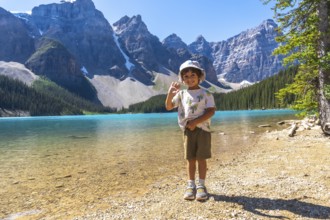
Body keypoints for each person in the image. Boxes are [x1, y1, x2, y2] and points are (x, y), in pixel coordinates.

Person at [165, 60, 216, 201]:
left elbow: (211, 111)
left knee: (201, 158)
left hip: (203, 130)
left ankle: (201, 185)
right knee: (190, 159)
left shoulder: (206, 93)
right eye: (186, 76)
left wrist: (196, 122)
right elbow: (169, 106)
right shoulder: (181, 94)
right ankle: (190, 185)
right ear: (182, 79)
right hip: (188, 130)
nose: (189, 79)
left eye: (193, 75)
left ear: (200, 76)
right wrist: (170, 93)